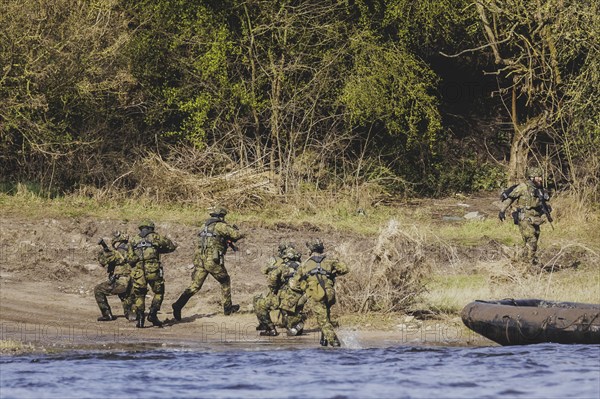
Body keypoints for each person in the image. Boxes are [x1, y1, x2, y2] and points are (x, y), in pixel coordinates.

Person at [171, 206, 245, 320]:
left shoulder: (203, 226)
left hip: (200, 260)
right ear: (221, 216)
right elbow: (236, 235)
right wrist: (241, 231)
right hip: (212, 261)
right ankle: (227, 308)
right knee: (225, 280)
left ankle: (178, 305)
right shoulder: (220, 226)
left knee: (195, 286)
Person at [289, 238, 349, 347]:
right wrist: (332, 274)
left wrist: (304, 288)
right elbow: (345, 269)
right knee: (326, 316)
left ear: (310, 250)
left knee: (323, 321)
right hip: (330, 294)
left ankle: (335, 344)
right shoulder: (330, 260)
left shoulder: (304, 265)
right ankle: (324, 341)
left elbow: (293, 284)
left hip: (316, 295)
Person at [498, 166, 553, 267]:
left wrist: (546, 209)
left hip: (536, 219)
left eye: (541, 176)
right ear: (531, 177)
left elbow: (542, 203)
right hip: (525, 218)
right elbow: (510, 198)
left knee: (533, 239)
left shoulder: (540, 189)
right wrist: (502, 211)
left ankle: (520, 260)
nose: (540, 179)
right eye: (538, 177)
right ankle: (529, 265)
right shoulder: (523, 187)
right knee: (531, 241)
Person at [129, 220, 177, 328]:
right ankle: (152, 314)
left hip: (138, 272)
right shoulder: (156, 237)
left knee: (139, 295)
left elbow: (130, 259)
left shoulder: (133, 240)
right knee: (159, 292)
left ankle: (140, 320)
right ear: (151, 228)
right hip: (153, 271)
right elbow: (171, 246)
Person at [254, 243, 304, 337]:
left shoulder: (283, 266)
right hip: (300, 299)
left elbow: (272, 277)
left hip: (284, 298)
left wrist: (274, 289)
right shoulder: (303, 267)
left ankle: (271, 330)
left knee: (260, 303)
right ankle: (297, 325)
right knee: (291, 325)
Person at [94, 231, 135, 321]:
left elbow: (103, 261)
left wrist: (103, 252)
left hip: (121, 282)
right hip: (132, 282)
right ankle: (131, 314)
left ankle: (107, 314)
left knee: (98, 290)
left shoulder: (118, 253)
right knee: (125, 297)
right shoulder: (132, 251)